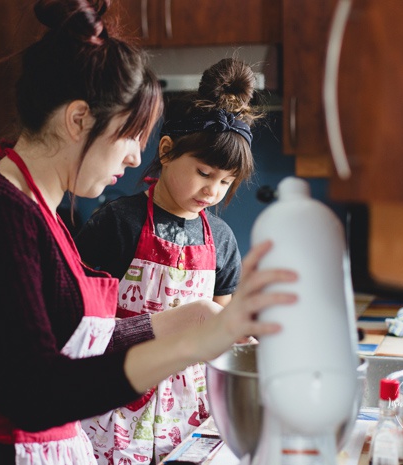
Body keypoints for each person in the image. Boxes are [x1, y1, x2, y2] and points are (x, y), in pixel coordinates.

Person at [0, 1, 298, 465]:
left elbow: (72, 341)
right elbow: (37, 393)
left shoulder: (40, 208)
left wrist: (184, 320)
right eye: (130, 134)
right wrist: (185, 346)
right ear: (78, 120)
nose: (137, 157)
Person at [74, 57, 263, 464]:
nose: (213, 191)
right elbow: (83, 330)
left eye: (226, 182)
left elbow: (219, 331)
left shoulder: (223, 240)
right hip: (117, 404)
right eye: (204, 172)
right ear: (166, 151)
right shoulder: (116, 224)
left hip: (188, 409)